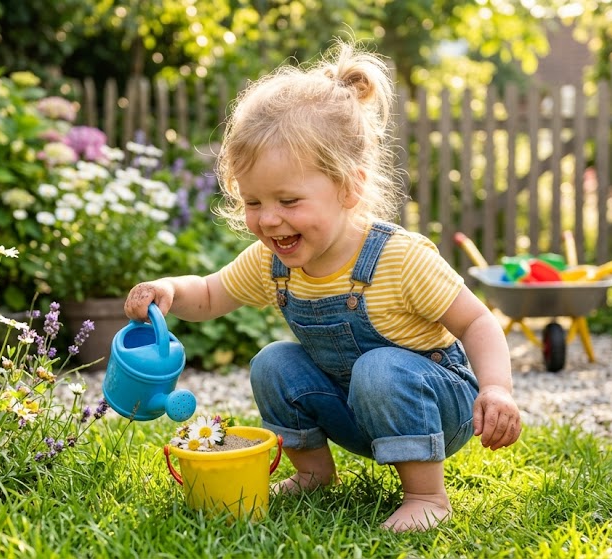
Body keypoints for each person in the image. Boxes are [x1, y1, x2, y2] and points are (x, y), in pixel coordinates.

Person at [123, 40, 521, 532]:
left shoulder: (400, 258)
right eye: (253, 202)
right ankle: (313, 474)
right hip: (357, 406)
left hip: (438, 404)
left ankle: (426, 495)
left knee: (379, 367)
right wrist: (169, 290)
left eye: (288, 201)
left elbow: (476, 320)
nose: (269, 220)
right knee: (274, 361)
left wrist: (498, 389)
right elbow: (208, 293)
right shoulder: (275, 263)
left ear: (349, 187)